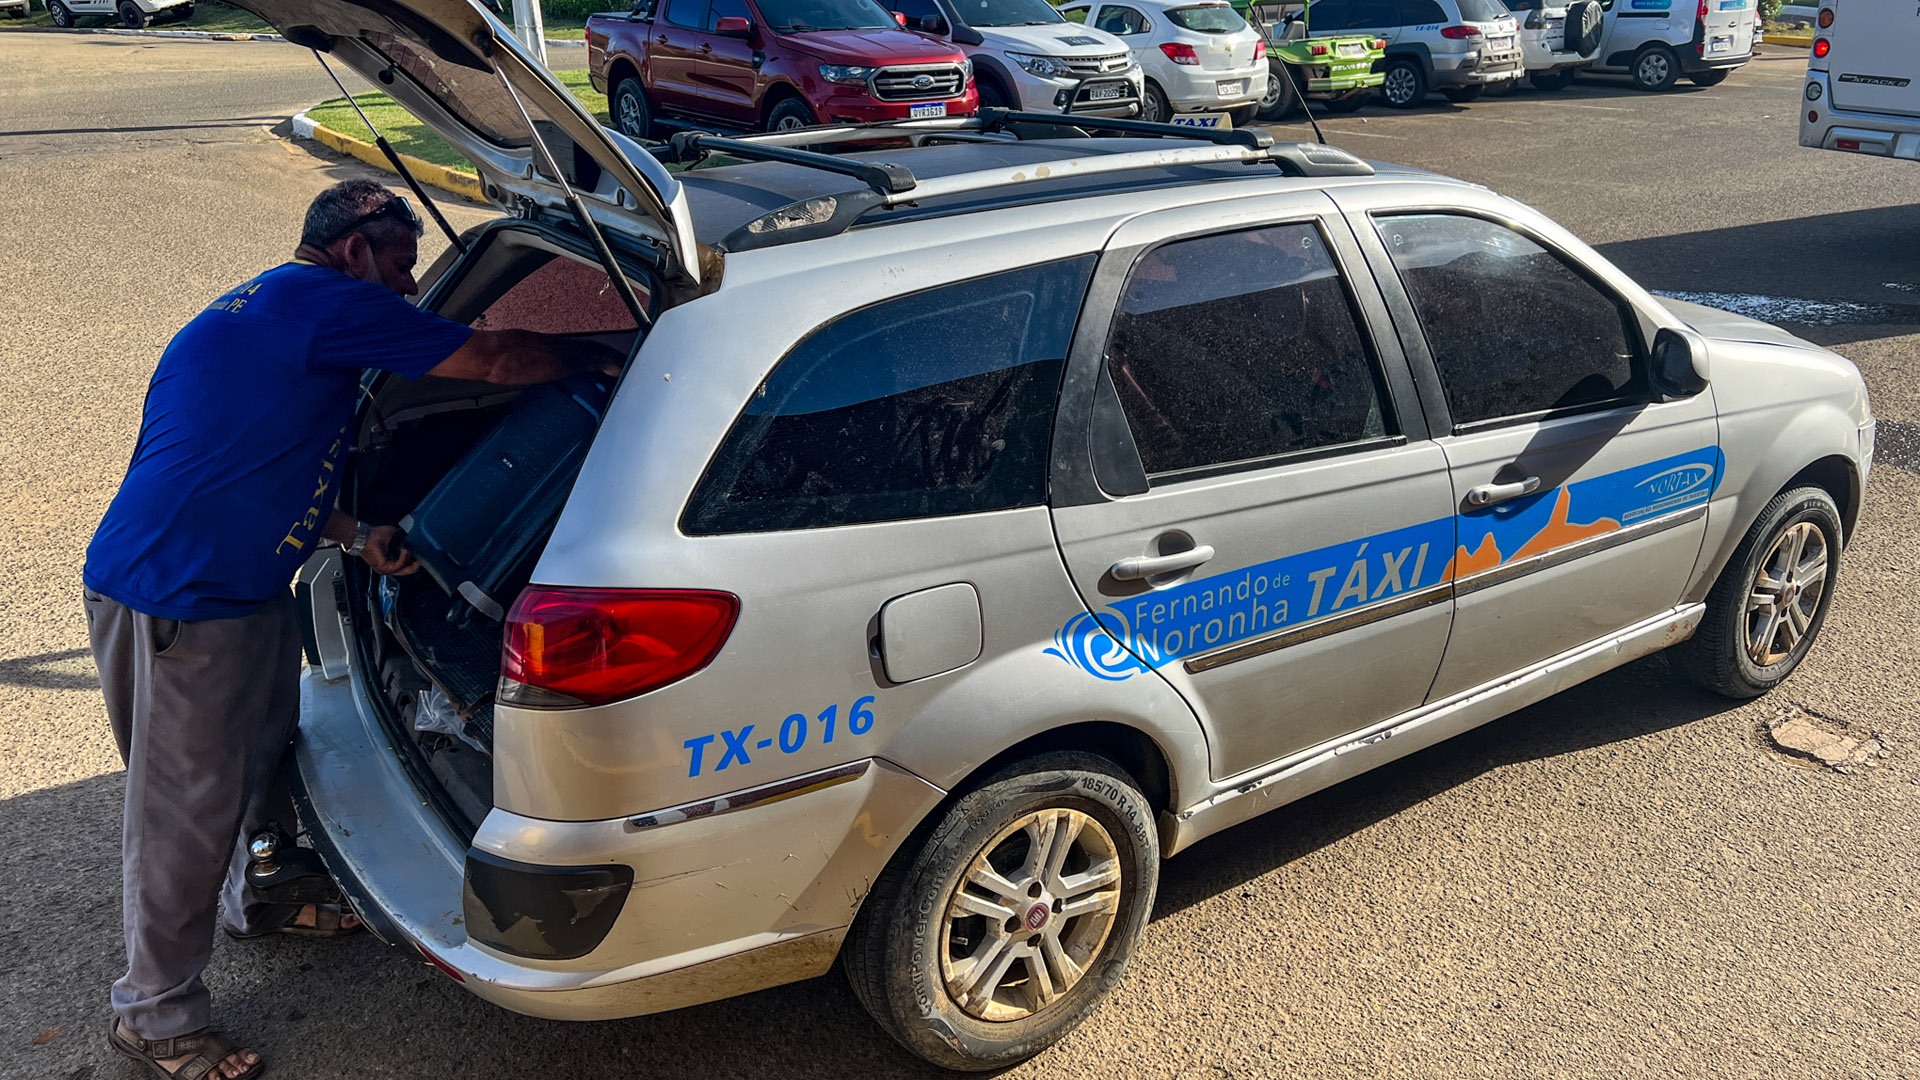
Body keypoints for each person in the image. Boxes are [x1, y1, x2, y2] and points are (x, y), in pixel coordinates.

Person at [83, 178, 621, 1080]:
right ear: (352, 249)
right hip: (180, 597)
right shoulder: (324, 305)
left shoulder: (266, 307)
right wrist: (615, 347)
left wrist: (351, 535)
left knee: (258, 753)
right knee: (181, 809)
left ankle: (259, 895)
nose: (410, 286)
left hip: (230, 582)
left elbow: (257, 452)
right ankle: (157, 1014)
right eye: (401, 265)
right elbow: (491, 363)